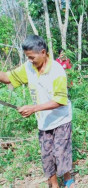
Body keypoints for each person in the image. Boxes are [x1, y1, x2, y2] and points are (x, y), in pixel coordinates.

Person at [0, 35, 74, 188]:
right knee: (47, 156)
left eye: (32, 57)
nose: (30, 60)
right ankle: (54, 185)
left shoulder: (57, 71)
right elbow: (8, 78)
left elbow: (60, 101)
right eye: (28, 57)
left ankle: (68, 179)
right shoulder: (29, 67)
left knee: (60, 153)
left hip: (61, 119)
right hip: (43, 121)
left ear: (43, 52)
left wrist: (33, 108)